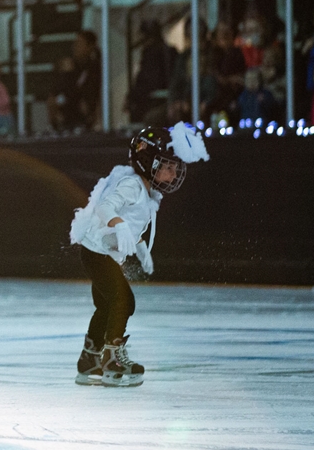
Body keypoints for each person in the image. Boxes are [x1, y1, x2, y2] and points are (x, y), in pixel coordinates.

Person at [69, 123, 209, 386]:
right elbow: (105, 207)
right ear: (149, 162)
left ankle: (89, 359)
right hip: (97, 253)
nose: (173, 173)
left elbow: (132, 224)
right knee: (124, 301)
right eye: (168, 166)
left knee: (107, 305)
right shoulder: (132, 185)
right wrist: (119, 225)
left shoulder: (145, 191)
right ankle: (112, 359)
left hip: (101, 254)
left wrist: (141, 246)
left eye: (174, 168)